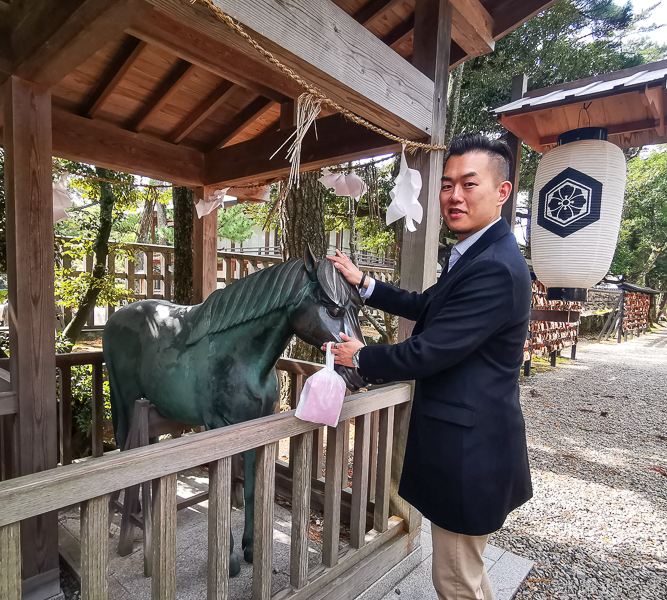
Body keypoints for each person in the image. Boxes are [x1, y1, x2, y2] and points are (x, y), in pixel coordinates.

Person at [326, 135, 532, 600]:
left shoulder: (495, 266)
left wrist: (360, 356)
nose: (454, 196)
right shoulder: (478, 253)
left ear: (502, 193)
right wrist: (366, 284)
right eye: (446, 185)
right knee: (469, 574)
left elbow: (430, 351)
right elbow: (428, 305)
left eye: (468, 184)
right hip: (474, 443)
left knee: (455, 580)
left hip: (470, 454)